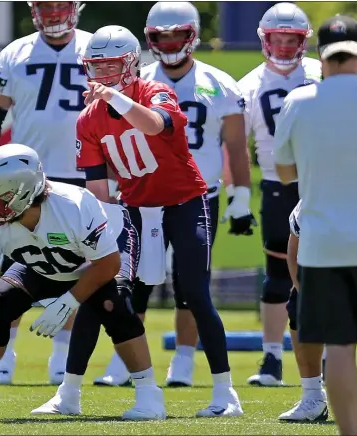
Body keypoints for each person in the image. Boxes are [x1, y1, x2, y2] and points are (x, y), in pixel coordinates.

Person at [69, 24, 243, 417]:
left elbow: (153, 124)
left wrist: (114, 97)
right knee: (106, 292)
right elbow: (98, 189)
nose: (104, 76)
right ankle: (69, 391)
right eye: (97, 68)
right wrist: (104, 229)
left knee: (195, 293)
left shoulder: (155, 91)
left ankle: (224, 393)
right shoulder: (89, 119)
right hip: (134, 206)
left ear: (132, 64)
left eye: (113, 66)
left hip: (184, 202)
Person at [0, 4, 91, 411]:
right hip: (24, 175)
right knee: (14, 262)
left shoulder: (95, 47)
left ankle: (63, 355)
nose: (52, 13)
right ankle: (2, 356)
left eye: (59, 4)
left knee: (77, 265)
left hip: (84, 171)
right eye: (44, 5)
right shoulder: (15, 52)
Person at [0, 143, 166, 420]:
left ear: (22, 193)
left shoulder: (73, 206)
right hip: (46, 261)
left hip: (103, 255)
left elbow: (107, 265)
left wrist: (69, 301)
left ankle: (149, 395)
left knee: (110, 302)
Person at [273, 15, 357, 435]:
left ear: (320, 57)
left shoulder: (299, 101)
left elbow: (283, 171)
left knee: (340, 346)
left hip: (323, 244)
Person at [237, 2, 321, 387]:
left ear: (304, 41)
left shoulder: (322, 74)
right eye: (278, 39)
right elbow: (236, 145)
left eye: (292, 40)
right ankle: (272, 359)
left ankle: (322, 362)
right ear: (264, 40)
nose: (285, 47)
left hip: (325, 183)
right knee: (278, 277)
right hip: (278, 186)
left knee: (326, 276)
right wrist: (238, 193)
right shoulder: (250, 85)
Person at [277, 200, 328, 421]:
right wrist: (304, 292)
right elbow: (294, 253)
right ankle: (313, 396)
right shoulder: (309, 204)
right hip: (322, 269)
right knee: (298, 310)